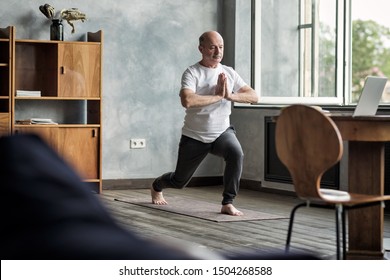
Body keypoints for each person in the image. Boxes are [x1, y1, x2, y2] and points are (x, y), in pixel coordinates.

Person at [151, 31, 258, 216]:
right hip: (194, 136)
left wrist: (229, 95)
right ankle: (157, 185)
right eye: (212, 47)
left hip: (222, 133)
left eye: (221, 47)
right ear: (201, 49)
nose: (218, 51)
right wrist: (217, 96)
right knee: (179, 181)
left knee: (236, 153)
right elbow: (188, 101)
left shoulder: (229, 72)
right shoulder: (192, 72)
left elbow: (254, 96)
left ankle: (227, 202)